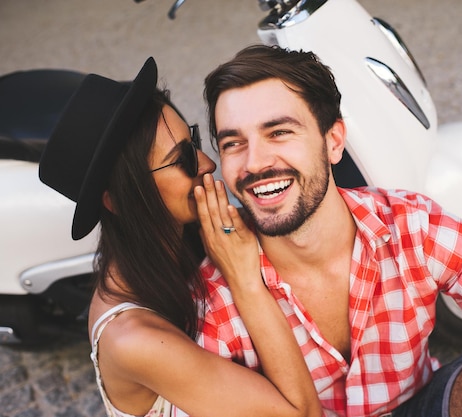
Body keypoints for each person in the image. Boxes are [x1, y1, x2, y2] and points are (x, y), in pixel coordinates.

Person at [201, 45, 462, 417]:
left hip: (417, 404)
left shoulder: (408, 225)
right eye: (233, 143)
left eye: (279, 132)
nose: (254, 163)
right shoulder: (217, 296)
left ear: (334, 142)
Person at [39, 57, 322, 417]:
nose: (206, 163)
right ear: (121, 199)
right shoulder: (133, 339)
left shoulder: (189, 241)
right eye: (183, 159)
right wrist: (245, 280)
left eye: (195, 142)